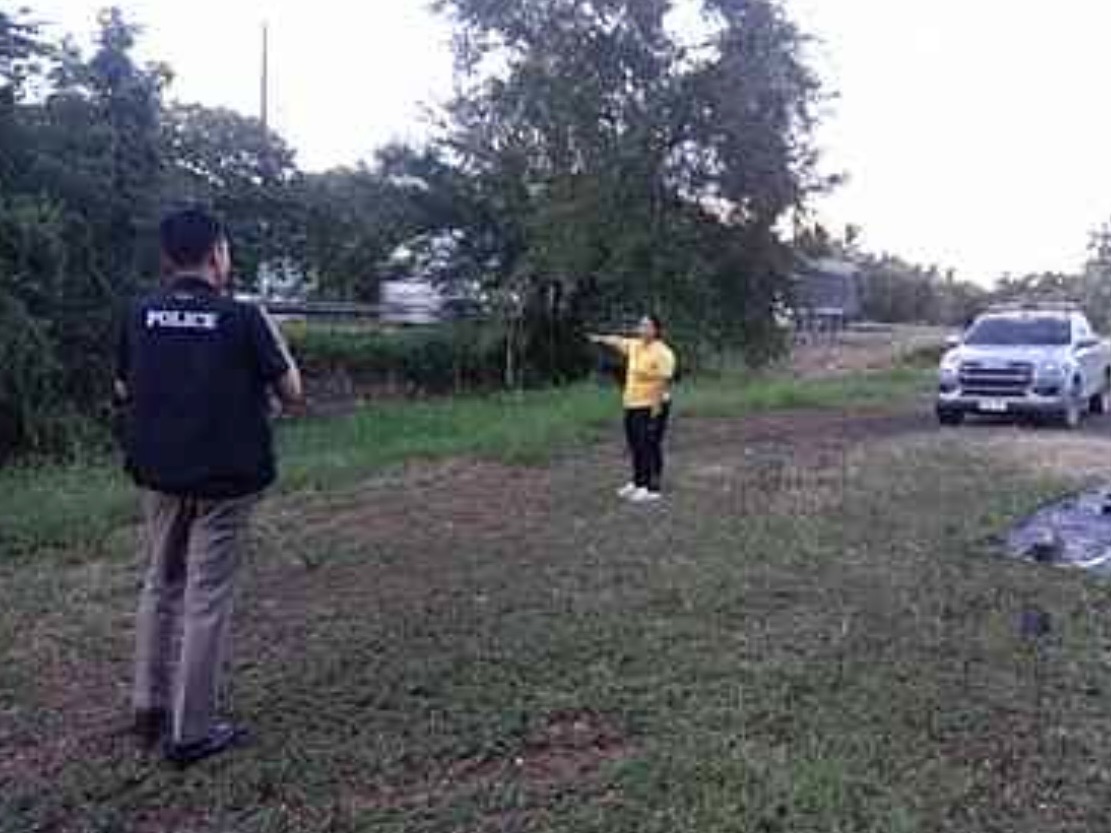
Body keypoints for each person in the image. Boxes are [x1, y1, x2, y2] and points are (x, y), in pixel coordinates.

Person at [115, 207, 303, 767]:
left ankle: (148, 708)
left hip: (158, 474)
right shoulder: (243, 317)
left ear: (167, 258)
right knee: (206, 596)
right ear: (218, 253)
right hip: (225, 480)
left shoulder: (139, 314)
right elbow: (291, 391)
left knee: (160, 583)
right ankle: (192, 730)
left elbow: (124, 387)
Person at [589, 315, 677, 503]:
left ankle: (652, 488)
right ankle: (638, 482)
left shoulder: (663, 352)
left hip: (652, 405)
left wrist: (656, 408)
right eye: (641, 325)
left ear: (656, 330)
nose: (642, 329)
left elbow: (663, 382)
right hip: (632, 404)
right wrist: (600, 339)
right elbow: (618, 341)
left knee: (649, 445)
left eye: (647, 326)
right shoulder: (635, 345)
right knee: (635, 445)